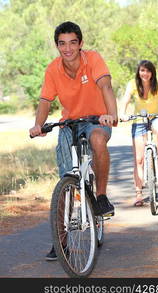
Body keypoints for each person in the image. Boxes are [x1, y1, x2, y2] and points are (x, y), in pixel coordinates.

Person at [29, 21, 118, 260]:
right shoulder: (52, 69)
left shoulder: (93, 59)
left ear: (80, 44)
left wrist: (112, 114)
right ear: (57, 45)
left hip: (98, 119)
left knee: (98, 139)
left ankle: (100, 198)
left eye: (72, 43)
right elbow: (45, 101)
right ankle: (61, 242)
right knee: (65, 183)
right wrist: (39, 125)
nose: (67, 48)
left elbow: (106, 86)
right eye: (62, 43)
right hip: (70, 123)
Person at [120, 60, 158, 207]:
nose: (145, 74)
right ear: (138, 72)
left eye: (148, 71)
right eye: (142, 71)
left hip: (156, 118)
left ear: (152, 73)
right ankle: (139, 194)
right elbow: (125, 99)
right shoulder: (132, 84)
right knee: (139, 160)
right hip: (138, 120)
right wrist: (122, 114)